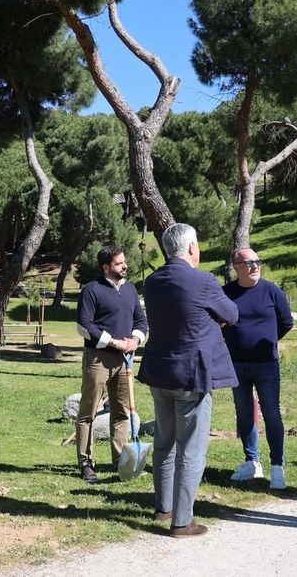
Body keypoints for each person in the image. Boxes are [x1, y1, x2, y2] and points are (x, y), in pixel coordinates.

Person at [137, 223, 238, 538]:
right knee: (192, 449)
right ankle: (182, 521)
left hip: (160, 372)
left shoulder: (152, 282)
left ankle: (163, 507)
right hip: (191, 375)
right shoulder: (203, 280)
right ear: (192, 248)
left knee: (164, 443)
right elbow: (231, 314)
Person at [74, 245, 149, 483]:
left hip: (125, 360)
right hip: (98, 359)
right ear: (106, 267)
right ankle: (86, 463)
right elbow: (84, 326)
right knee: (88, 413)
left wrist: (136, 339)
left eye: (124, 262)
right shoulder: (91, 290)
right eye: (119, 263)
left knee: (122, 412)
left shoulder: (130, 290)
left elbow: (141, 320)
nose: (125, 266)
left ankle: (121, 461)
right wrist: (114, 342)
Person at [222, 248, 294, 489]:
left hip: (266, 365)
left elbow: (287, 323)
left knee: (271, 412)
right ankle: (252, 462)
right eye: (249, 262)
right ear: (236, 266)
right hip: (236, 365)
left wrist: (268, 341)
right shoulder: (226, 293)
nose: (254, 266)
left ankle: (277, 467)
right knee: (243, 412)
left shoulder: (272, 291)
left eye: (257, 262)